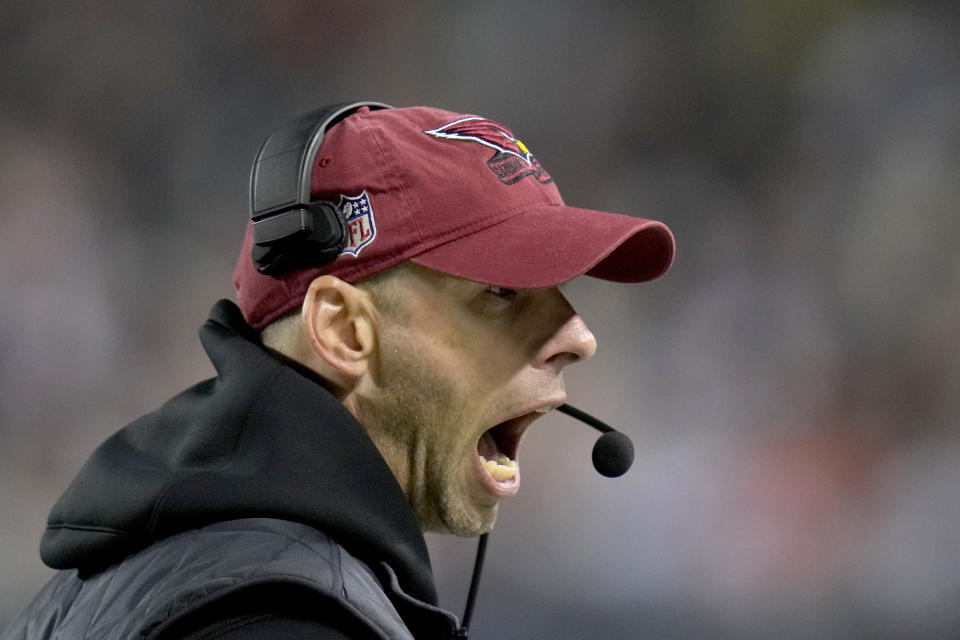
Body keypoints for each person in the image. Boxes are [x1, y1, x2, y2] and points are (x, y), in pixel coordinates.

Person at [1, 104, 674, 639]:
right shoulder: (278, 619)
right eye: (500, 294)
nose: (579, 337)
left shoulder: (180, 564)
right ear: (344, 331)